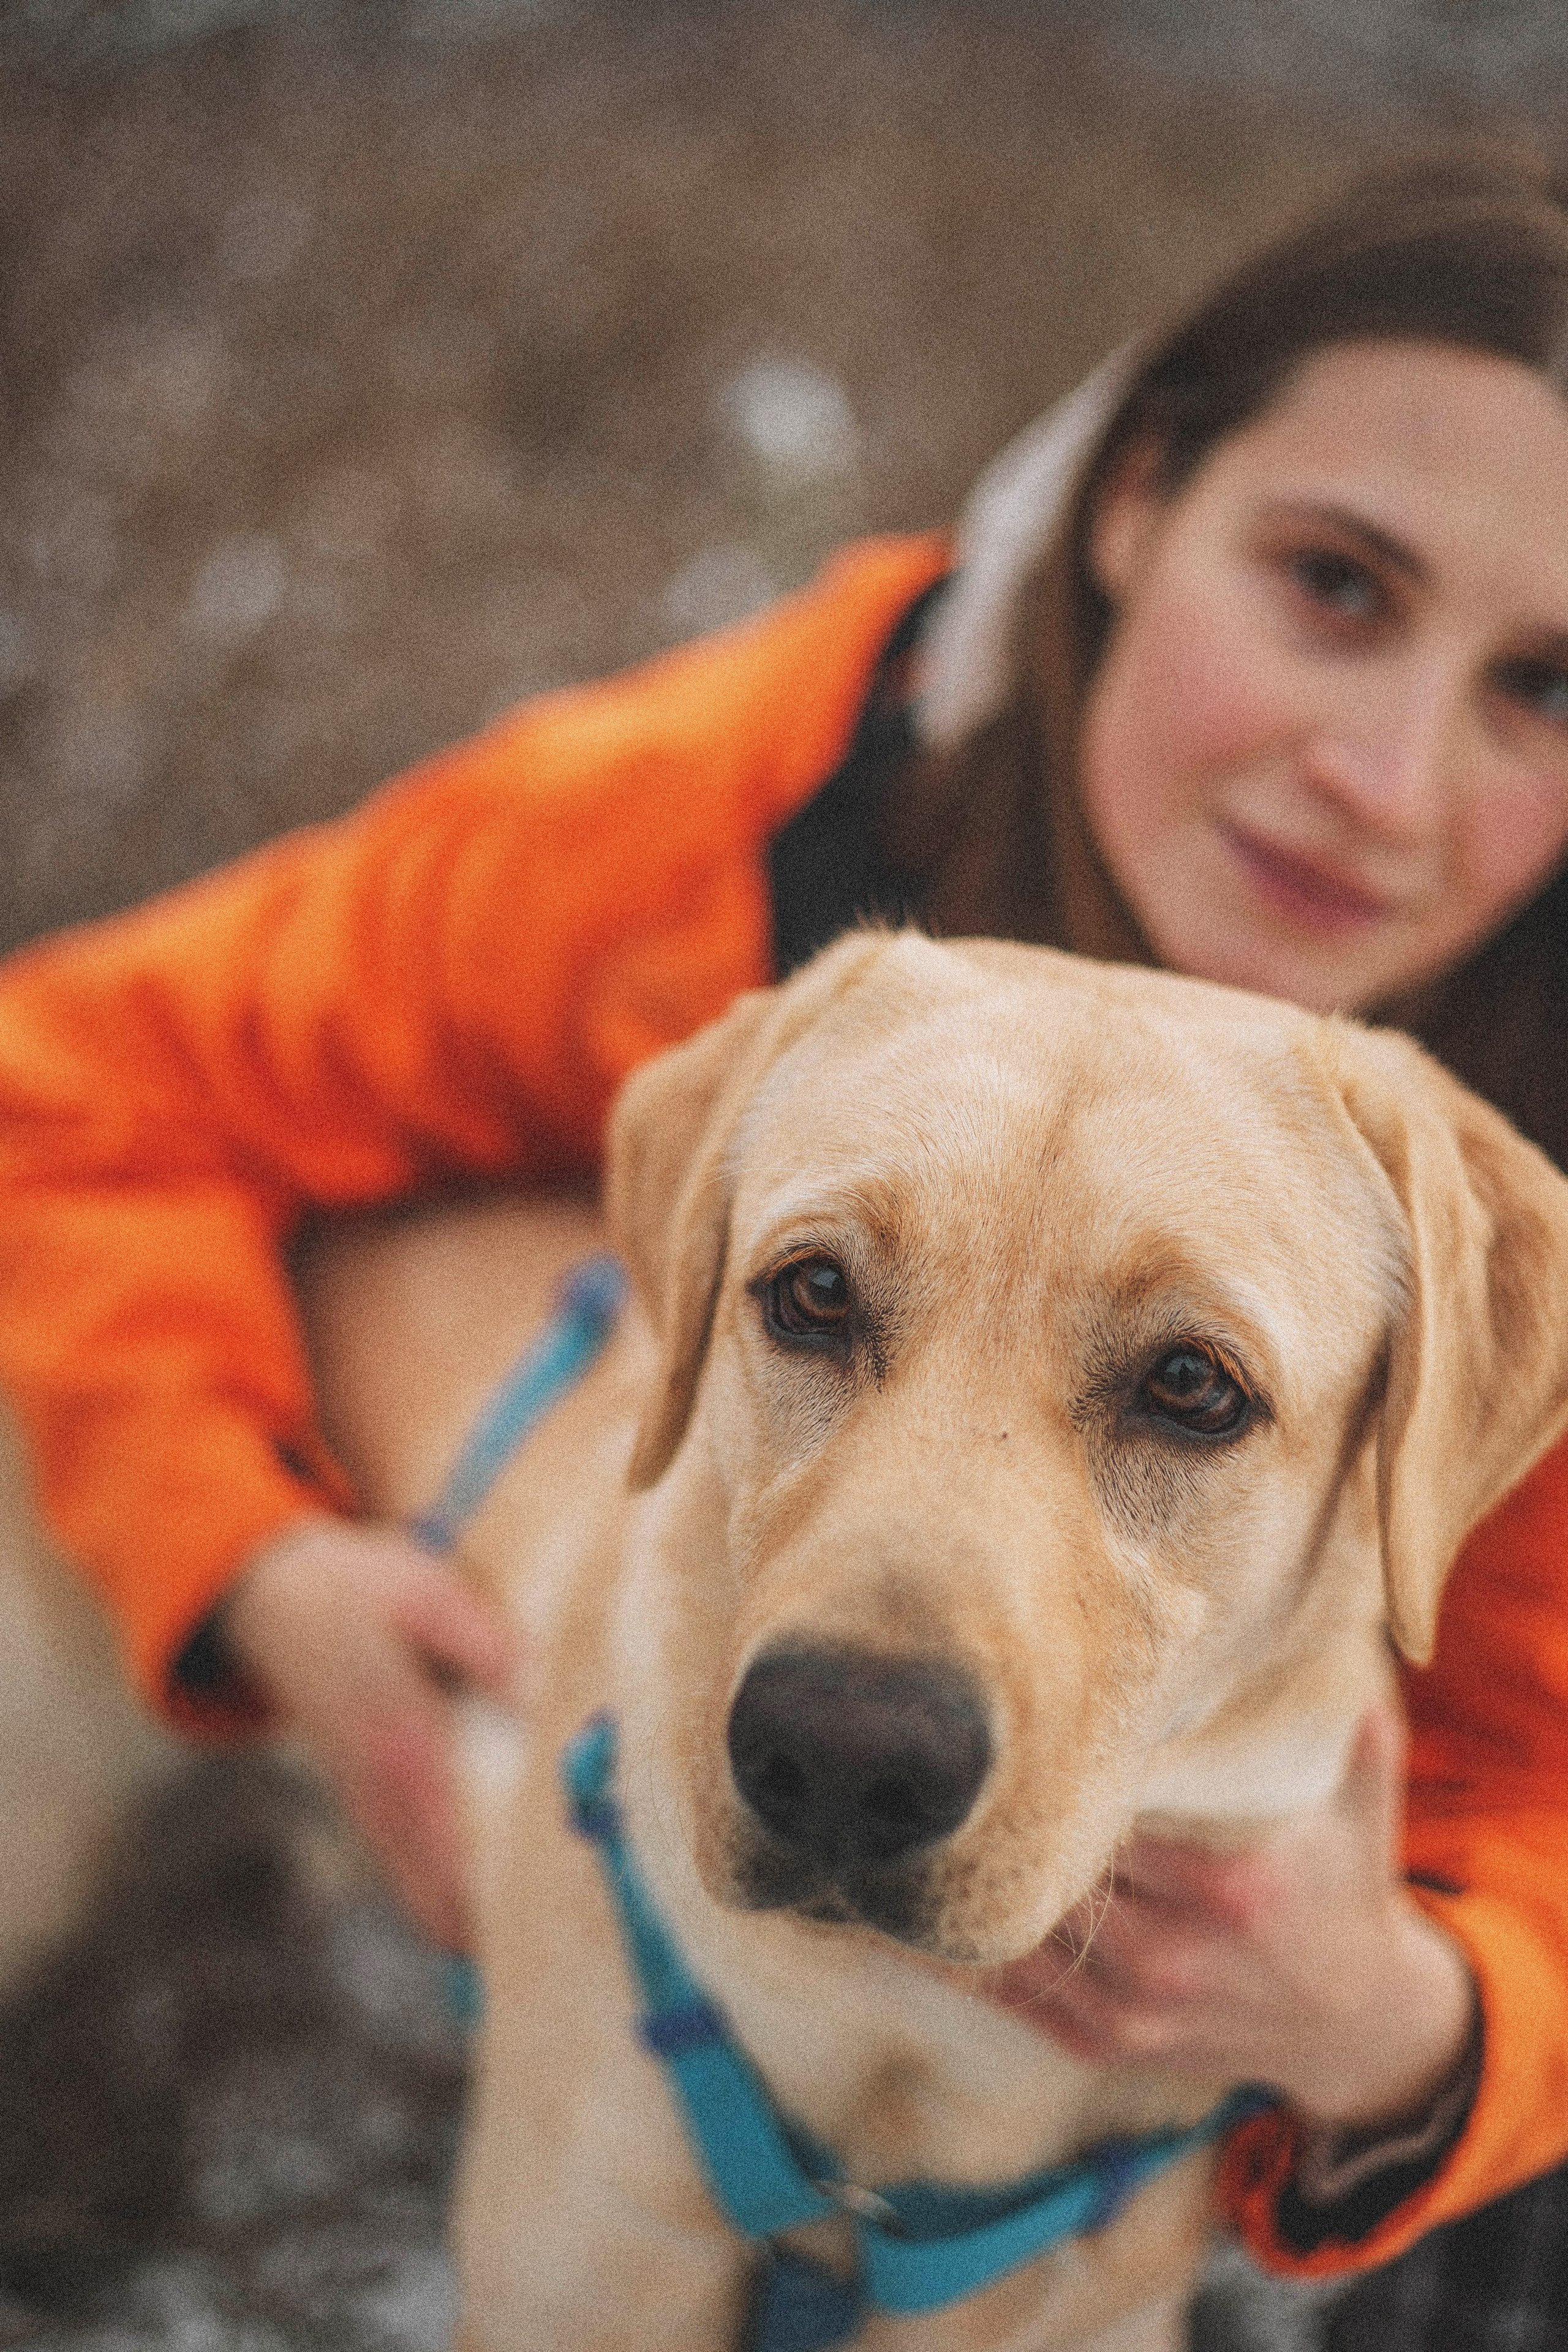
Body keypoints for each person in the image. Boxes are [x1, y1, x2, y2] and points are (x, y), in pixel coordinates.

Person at [3, 147, 1568, 2333]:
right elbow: (62, 1081)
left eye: (1546, 689)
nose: (1386, 778)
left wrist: (1419, 2027)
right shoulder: (703, 821)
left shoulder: (1483, 1212)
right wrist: (242, 1561)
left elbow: (1545, 1776)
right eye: (1331, 583)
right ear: (1134, 506)